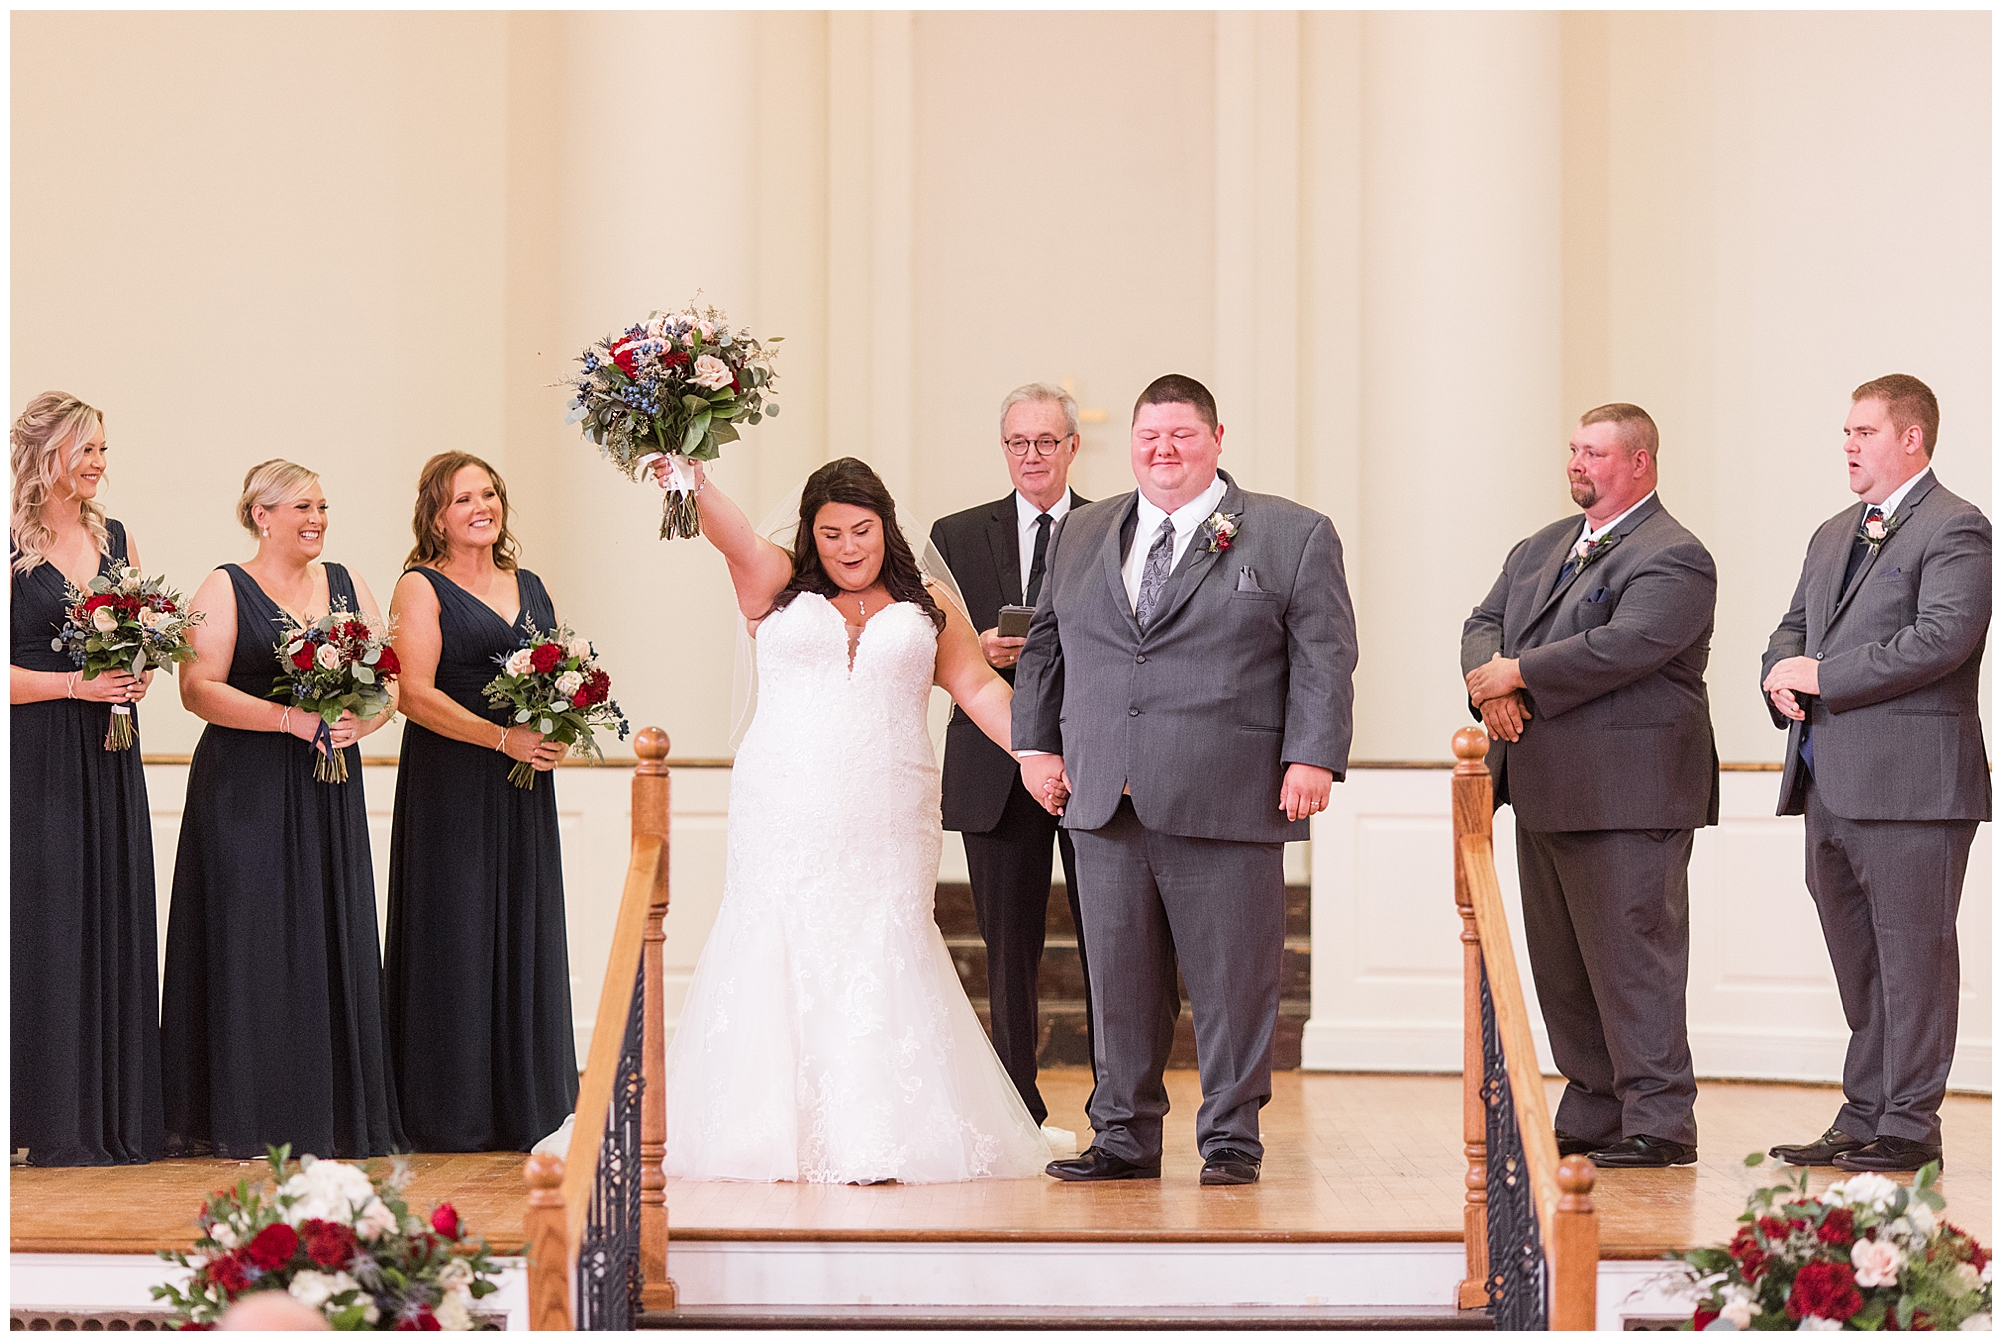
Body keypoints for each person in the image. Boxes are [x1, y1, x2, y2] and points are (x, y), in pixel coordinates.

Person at [654, 454, 1050, 1183]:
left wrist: (1037, 754)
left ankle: (881, 1131)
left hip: (890, 809)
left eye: (861, 530)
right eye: (830, 533)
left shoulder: (929, 602)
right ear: (810, 533)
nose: (847, 547)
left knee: (883, 939)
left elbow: (979, 689)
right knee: (777, 935)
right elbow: (731, 534)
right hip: (783, 804)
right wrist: (694, 481)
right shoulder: (775, 583)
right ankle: (765, 1128)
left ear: (885, 526)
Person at [1014, 374, 1357, 1187]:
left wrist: (1312, 754)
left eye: (1181, 434)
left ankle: (1231, 1137)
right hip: (1104, 797)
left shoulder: (1292, 532)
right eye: (1149, 436)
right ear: (1131, 445)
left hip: (1228, 794)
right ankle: (1123, 1135)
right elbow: (1046, 646)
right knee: (1119, 980)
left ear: (1217, 439)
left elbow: (1325, 654)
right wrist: (1035, 746)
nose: (1163, 449)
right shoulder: (1084, 530)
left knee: (1234, 982)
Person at [1460, 403, 1718, 1170]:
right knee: (1564, 964)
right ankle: (1596, 1104)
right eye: (1574, 449)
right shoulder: (1540, 546)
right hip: (1543, 783)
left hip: (1629, 794)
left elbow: (1624, 646)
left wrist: (1519, 672)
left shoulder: (1675, 554)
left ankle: (1660, 1117)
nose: (1577, 463)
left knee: (1634, 960)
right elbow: (1483, 622)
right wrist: (1493, 690)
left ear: (1640, 462)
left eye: (1596, 452)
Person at [1760, 375, 1989, 1174]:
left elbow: (1942, 639)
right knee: (1861, 965)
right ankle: (1863, 1113)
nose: (1849, 444)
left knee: (1914, 960)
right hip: (1827, 780)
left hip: (1914, 788)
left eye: (1865, 431)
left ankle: (1910, 1124)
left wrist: (1823, 675)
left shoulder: (1956, 526)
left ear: (1911, 438)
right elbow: (1793, 628)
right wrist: (1778, 674)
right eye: (1847, 432)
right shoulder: (1833, 532)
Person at [161, 459, 406, 1159]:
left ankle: (332, 1112)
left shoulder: (347, 583)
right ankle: (249, 1112)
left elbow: (390, 683)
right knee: (255, 939)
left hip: (329, 784)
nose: (317, 519)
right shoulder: (224, 585)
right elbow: (197, 689)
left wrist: (364, 720)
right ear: (261, 515)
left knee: (331, 935)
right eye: (302, 506)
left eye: (322, 506)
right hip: (247, 788)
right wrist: (290, 721)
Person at [384, 453, 577, 1152]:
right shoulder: (420, 585)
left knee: (525, 922)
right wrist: (502, 739)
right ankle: (450, 1110)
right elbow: (414, 694)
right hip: (452, 782)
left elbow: (559, 674)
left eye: (489, 493)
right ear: (437, 516)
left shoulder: (530, 584)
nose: (481, 507)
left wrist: (558, 729)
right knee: (458, 929)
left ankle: (529, 1104)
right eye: (463, 498)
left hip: (524, 784)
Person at [929, 382, 1095, 1141]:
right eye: (1018, 443)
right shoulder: (957, 534)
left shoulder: (1112, 526)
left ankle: (1116, 1109)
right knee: (1007, 951)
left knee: (1110, 944)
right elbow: (931, 642)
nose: (1032, 456)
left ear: (1072, 447)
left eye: (1046, 442)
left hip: (1091, 760)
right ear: (1004, 449)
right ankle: (1017, 1110)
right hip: (993, 767)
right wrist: (981, 651)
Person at [8, 392, 163, 1165]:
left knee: (110, 907)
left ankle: (110, 1111)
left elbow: (141, 636)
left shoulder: (117, 536)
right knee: (45, 919)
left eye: (104, 448)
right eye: (87, 449)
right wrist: (76, 685)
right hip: (34, 753)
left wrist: (138, 669)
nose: (101, 462)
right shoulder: (10, 542)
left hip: (110, 747)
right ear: (47, 455)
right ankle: (41, 1113)